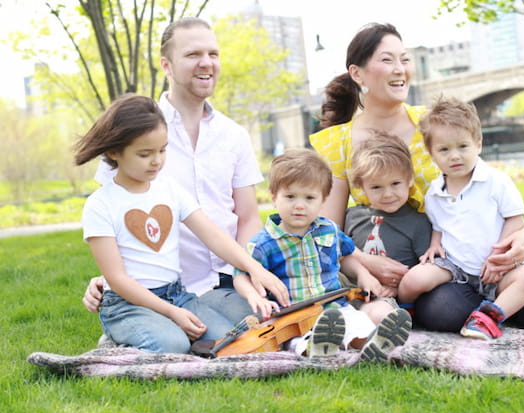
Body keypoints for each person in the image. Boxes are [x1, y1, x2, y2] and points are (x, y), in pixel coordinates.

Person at [309, 22, 524, 333]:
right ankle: (500, 307)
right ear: (357, 73)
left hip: (483, 245)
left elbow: (489, 187)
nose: (401, 69)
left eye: (405, 59)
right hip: (433, 266)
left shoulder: (432, 123)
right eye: (387, 60)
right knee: (444, 313)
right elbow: (325, 232)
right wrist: (365, 263)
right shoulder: (338, 143)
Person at [82, 17, 290, 324]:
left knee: (270, 322)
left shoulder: (234, 135)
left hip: (230, 278)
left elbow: (247, 217)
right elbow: (116, 215)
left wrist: (251, 273)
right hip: (164, 289)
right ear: (166, 66)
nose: (206, 63)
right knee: (228, 336)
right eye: (193, 55)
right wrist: (110, 279)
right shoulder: (131, 132)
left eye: (213, 54)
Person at [74, 94, 285, 353]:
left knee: (230, 341)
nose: (157, 161)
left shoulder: (169, 189)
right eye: (145, 153)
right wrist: (172, 313)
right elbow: (116, 279)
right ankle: (121, 339)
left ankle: (163, 330)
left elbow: (213, 236)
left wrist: (254, 268)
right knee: (172, 344)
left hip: (176, 294)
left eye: (163, 150)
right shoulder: (101, 204)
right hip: (127, 304)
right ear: (114, 151)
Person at [233, 149, 412, 362]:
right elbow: (241, 274)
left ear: (323, 200)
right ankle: (315, 347)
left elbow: (347, 255)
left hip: (333, 308)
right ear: (274, 198)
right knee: (296, 339)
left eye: (309, 198)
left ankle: (374, 345)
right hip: (292, 317)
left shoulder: (329, 230)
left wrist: (363, 274)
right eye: (290, 196)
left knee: (356, 322)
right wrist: (253, 295)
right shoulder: (263, 243)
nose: (299, 205)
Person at [397, 97, 524, 339]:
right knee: (413, 279)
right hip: (454, 266)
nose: (454, 156)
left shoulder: (496, 181)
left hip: (495, 267)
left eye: (462, 147)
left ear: (478, 144)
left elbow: (515, 221)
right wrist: (434, 244)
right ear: (432, 153)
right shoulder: (434, 192)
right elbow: (438, 225)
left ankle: (488, 318)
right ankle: (404, 314)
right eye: (444, 150)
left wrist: (498, 259)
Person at [344, 130, 432, 320]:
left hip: (387, 298)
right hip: (351, 291)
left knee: (380, 313)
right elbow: (342, 255)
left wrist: (398, 287)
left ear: (409, 180)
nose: (387, 194)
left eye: (395, 184)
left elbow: (425, 269)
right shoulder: (352, 216)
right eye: (376, 187)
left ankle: (376, 331)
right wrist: (361, 274)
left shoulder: (418, 222)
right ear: (361, 186)